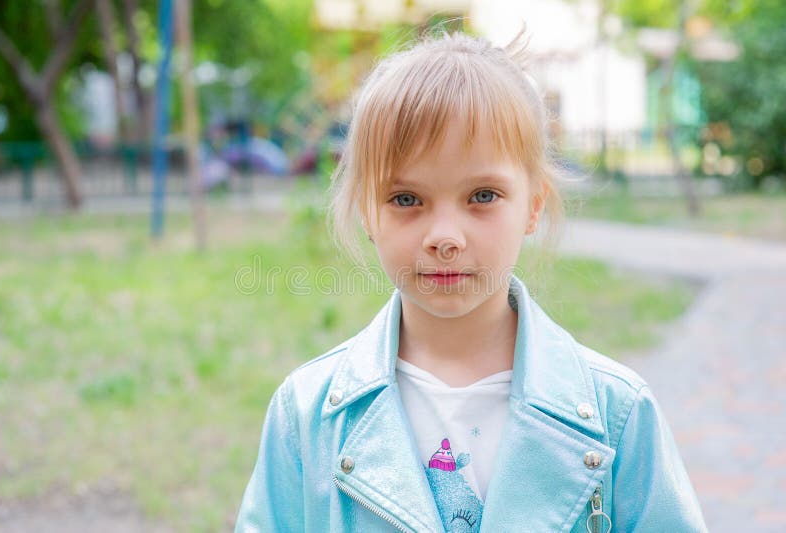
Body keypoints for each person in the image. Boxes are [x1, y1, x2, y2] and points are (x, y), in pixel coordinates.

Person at [234, 31, 707, 532]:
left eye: (482, 196)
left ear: (534, 206)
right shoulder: (308, 415)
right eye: (406, 199)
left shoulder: (618, 415)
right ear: (367, 213)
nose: (444, 238)